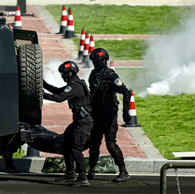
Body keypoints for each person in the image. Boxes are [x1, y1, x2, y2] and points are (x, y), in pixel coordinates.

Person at [43, 60, 93, 187]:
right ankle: (70, 173)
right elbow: (58, 91)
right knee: (65, 145)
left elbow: (59, 98)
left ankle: (82, 178)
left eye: (64, 74)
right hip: (78, 121)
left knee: (76, 150)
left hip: (84, 123)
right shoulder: (74, 84)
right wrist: (42, 84)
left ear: (70, 73)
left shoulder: (75, 86)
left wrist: (40, 95)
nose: (63, 77)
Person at [88, 47, 132, 183]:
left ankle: (123, 171)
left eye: (97, 61)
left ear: (104, 61)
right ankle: (91, 170)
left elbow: (126, 92)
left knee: (110, 143)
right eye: (94, 61)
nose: (95, 64)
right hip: (97, 114)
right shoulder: (93, 74)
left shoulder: (111, 75)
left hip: (110, 115)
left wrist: (126, 114)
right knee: (94, 144)